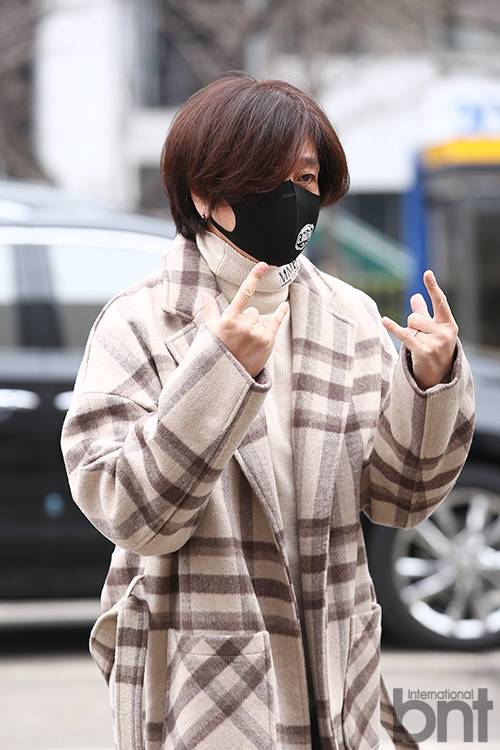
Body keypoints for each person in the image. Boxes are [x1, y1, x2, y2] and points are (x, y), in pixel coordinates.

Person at [60, 72, 475, 750]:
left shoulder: (348, 317)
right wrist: (220, 372)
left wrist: (430, 385)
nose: (294, 197)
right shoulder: (139, 322)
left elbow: (400, 500)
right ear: (205, 194)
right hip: (202, 679)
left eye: (306, 178)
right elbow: (133, 516)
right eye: (268, 178)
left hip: (338, 668)